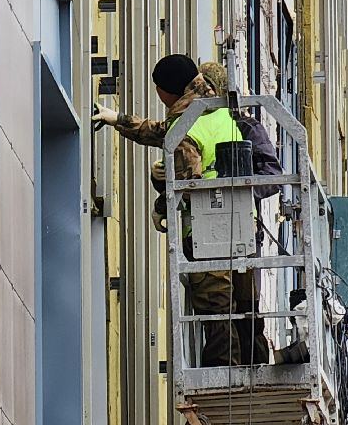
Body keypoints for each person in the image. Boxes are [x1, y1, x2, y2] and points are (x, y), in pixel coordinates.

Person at [94, 55, 272, 367]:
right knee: (245, 311)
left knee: (217, 312)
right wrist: (117, 118)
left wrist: (161, 204)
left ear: (167, 92)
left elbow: (186, 182)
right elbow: (159, 130)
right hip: (243, 225)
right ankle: (255, 372)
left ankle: (223, 388)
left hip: (208, 232)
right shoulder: (215, 113)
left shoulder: (185, 130)